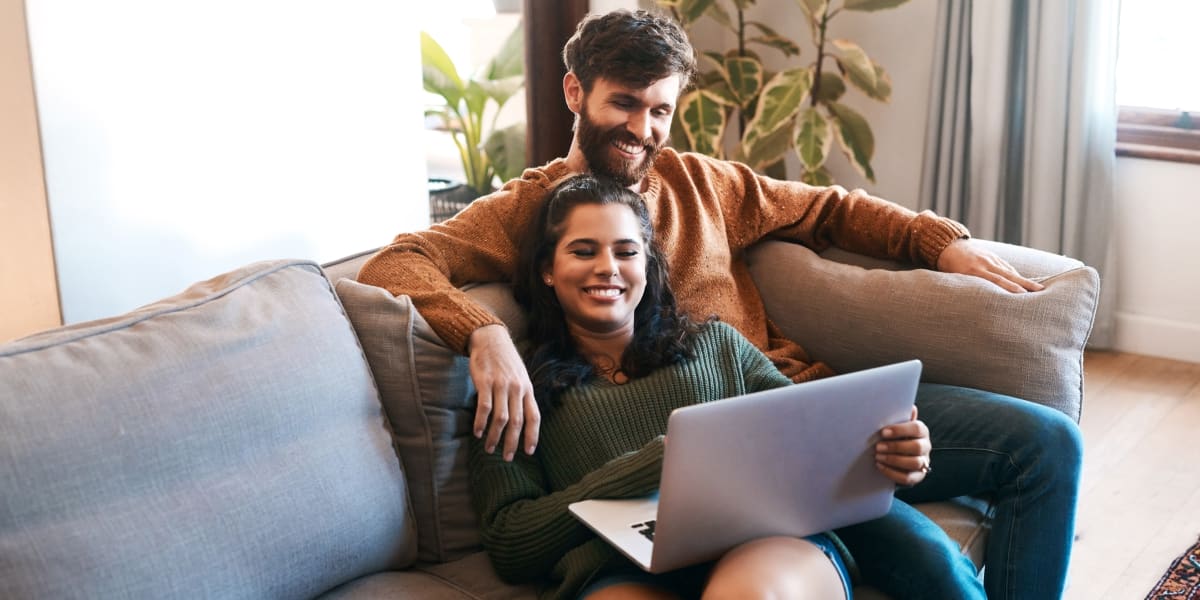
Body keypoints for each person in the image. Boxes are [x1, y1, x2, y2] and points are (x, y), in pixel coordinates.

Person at [359, 8, 1083, 598]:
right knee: (908, 557)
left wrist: (938, 243)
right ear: (575, 93)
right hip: (680, 481)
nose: (642, 129)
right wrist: (483, 334)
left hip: (803, 415)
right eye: (624, 103)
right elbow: (398, 261)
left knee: (1045, 446)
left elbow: (828, 209)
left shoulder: (704, 182)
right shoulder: (527, 212)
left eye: (660, 110)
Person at [471, 173, 948, 599]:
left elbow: (814, 448)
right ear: (547, 269)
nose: (608, 268)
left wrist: (894, 457)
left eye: (626, 251)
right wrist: (656, 464)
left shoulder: (715, 344)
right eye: (583, 250)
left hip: (759, 544)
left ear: (647, 264)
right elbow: (512, 545)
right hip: (615, 570)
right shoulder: (515, 388)